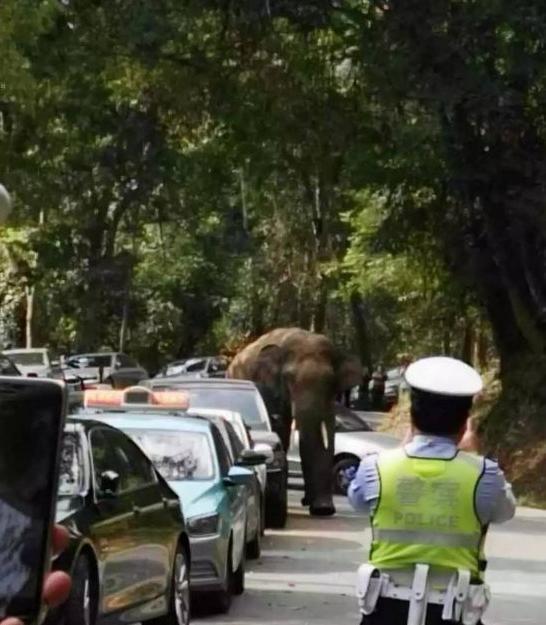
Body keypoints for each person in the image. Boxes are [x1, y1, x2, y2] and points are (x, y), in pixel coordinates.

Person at [348, 356, 516, 625]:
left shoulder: (375, 468)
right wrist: (473, 457)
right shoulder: (484, 474)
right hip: (454, 610)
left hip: (385, 609)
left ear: (412, 417)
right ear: (464, 424)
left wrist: (400, 450)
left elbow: (358, 502)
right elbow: (504, 511)